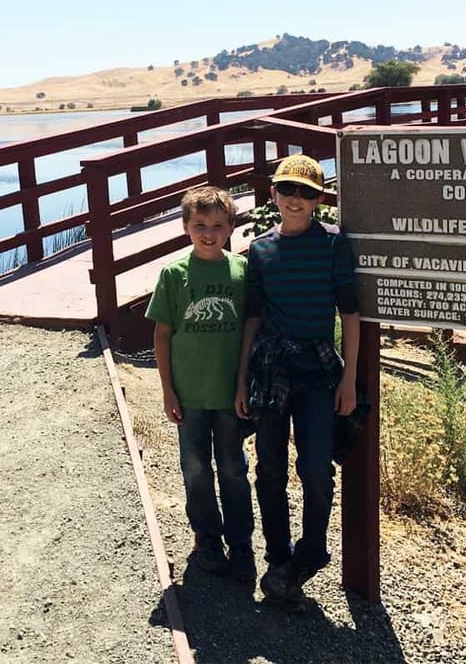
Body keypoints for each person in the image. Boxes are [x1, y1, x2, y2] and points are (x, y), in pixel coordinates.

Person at [234, 154, 359, 608]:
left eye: (306, 193)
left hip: (318, 370)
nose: (295, 199)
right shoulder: (260, 250)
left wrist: (348, 379)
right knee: (269, 468)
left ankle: (310, 554)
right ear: (273, 194)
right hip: (271, 369)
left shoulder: (333, 244)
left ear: (319, 200)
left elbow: (350, 313)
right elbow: (252, 318)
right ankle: (278, 558)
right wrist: (242, 379)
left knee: (317, 469)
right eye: (287, 190)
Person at [145, 185, 256, 581]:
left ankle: (241, 542)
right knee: (195, 468)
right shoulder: (174, 275)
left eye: (218, 226)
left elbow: (250, 330)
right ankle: (207, 537)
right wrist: (167, 390)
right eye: (200, 226)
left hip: (228, 394)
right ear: (186, 227)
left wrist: (243, 384)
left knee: (233, 468)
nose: (209, 234)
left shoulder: (241, 271)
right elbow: (162, 335)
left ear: (231, 228)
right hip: (189, 394)